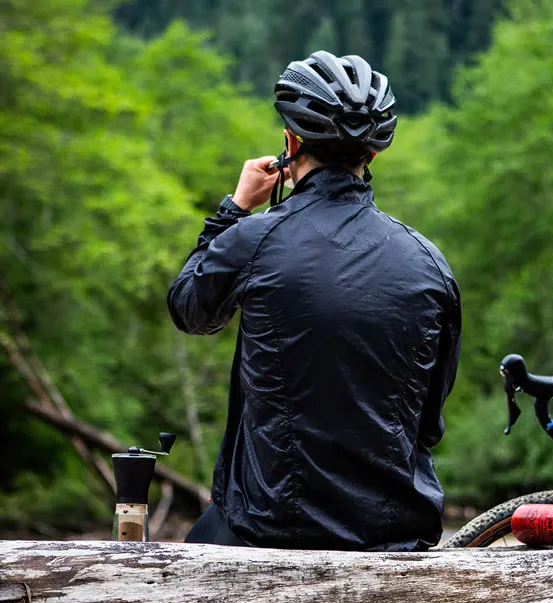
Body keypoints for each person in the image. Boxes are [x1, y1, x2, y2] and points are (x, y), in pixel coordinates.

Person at [167, 52, 461, 551]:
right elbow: (428, 420)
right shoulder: (430, 264)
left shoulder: (252, 239)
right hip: (398, 536)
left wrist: (234, 209)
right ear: (373, 154)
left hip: (270, 531)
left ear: (290, 143)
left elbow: (188, 308)